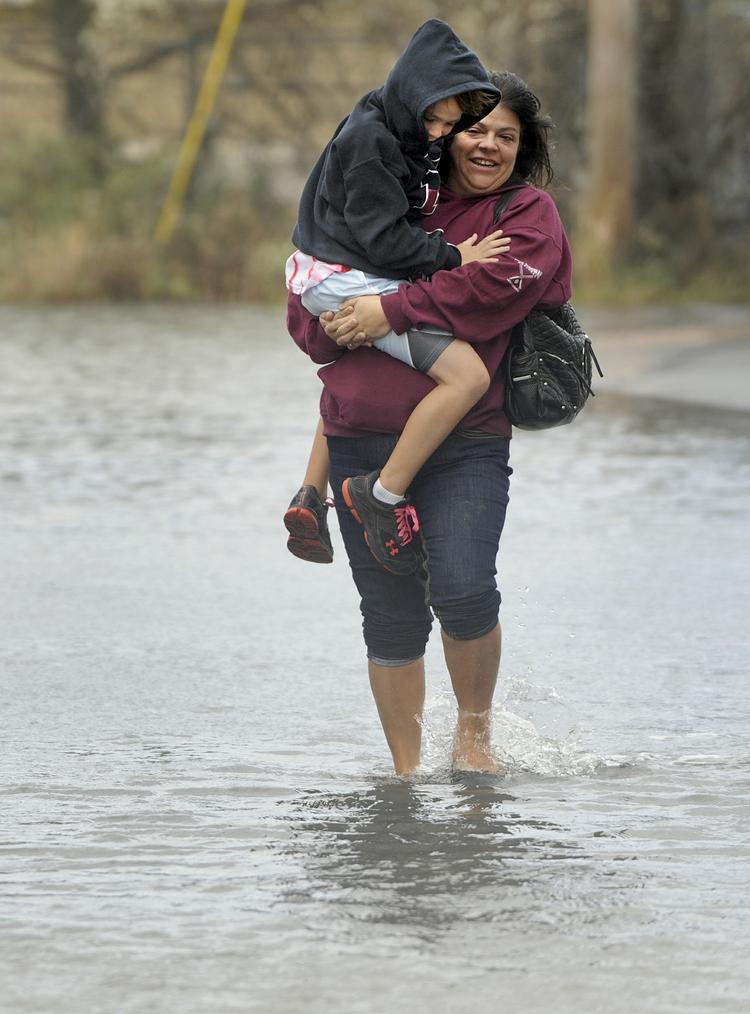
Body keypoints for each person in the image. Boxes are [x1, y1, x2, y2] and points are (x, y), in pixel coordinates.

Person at [287, 71, 572, 776]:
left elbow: (487, 290)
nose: (490, 145)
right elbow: (310, 308)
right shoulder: (391, 197)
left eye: (507, 135)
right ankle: (406, 776)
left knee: (464, 587)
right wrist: (332, 320)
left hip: (466, 443)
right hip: (358, 436)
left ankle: (473, 740)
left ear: (523, 148)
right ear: (442, 134)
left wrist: (387, 311)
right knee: (389, 617)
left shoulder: (526, 215)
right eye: (477, 130)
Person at [283, 19, 510, 572]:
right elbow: (384, 238)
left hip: (332, 269)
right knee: (468, 377)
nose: (437, 132)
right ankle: (379, 496)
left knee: (357, 356)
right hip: (348, 275)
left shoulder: (388, 123)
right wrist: (457, 256)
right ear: (411, 93)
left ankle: (310, 492)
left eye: (449, 123)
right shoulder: (369, 143)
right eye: (432, 118)